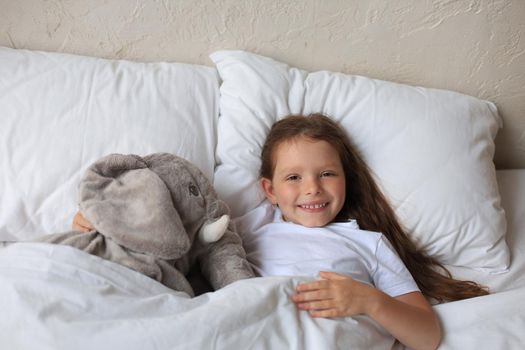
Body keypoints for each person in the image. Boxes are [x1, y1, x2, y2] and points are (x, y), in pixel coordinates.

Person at [238, 113, 489, 350]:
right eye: (294, 177)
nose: (312, 188)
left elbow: (427, 336)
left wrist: (369, 300)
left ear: (345, 179)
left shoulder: (369, 243)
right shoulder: (252, 229)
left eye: (327, 174)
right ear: (270, 190)